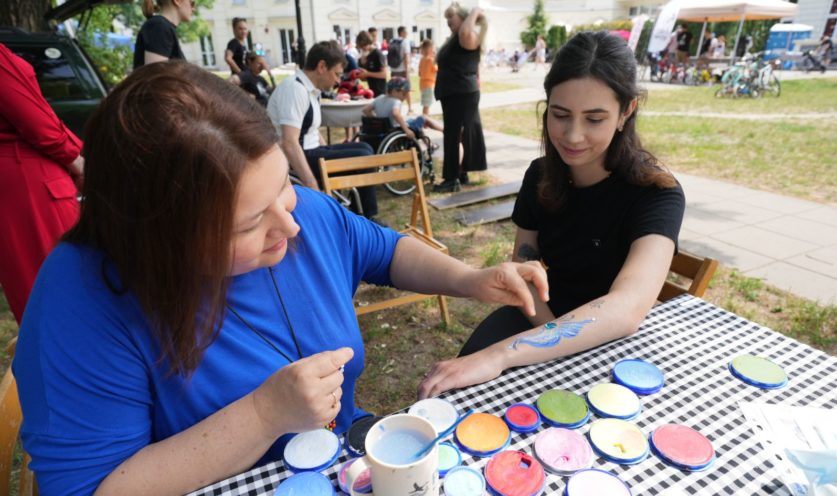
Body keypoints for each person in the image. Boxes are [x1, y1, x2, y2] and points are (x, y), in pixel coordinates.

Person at [12, 60, 547, 495]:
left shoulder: (301, 214)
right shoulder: (83, 299)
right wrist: (264, 414)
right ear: (164, 244)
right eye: (250, 223)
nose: (290, 225)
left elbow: (384, 250)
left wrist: (471, 277)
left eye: (284, 187)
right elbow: (93, 488)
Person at [418, 31, 685, 400]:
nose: (573, 136)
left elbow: (627, 307)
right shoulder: (540, 176)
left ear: (627, 112)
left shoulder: (657, 194)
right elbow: (523, 267)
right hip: (534, 318)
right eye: (560, 115)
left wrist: (504, 354)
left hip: (609, 342)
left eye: (594, 119)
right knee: (456, 398)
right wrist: (546, 336)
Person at [0, 43, 83, 325]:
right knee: (65, 293)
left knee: (35, 291)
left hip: (16, 183)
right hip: (29, 183)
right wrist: (78, 159)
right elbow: (37, 122)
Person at [266, 40, 380, 221]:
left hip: (310, 152)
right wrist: (312, 185)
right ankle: (366, 217)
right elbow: (289, 143)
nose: (337, 81)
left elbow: (311, 130)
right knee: (363, 155)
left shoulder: (309, 90)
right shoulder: (295, 90)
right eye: (336, 74)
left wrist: (330, 151)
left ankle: (361, 215)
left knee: (365, 149)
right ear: (321, 66)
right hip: (296, 159)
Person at [433, 2, 488, 192]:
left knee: (453, 135)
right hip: (457, 93)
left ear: (464, 19)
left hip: (461, 93)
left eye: (451, 17)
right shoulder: (456, 38)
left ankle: (451, 178)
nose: (448, 21)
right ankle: (461, 172)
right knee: (461, 134)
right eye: (447, 18)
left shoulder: (468, 35)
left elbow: (465, 32)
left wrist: (474, 12)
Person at [362, 77, 443, 140]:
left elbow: (365, 110)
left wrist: (377, 119)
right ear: (395, 91)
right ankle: (444, 130)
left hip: (384, 129)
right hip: (396, 129)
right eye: (404, 94)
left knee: (416, 123)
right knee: (424, 117)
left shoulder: (379, 98)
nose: (405, 97)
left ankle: (430, 146)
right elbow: (395, 113)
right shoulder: (396, 101)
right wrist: (406, 130)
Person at [133, 0, 192, 69]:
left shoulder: (161, 26)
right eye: (192, 3)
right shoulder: (159, 26)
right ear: (177, 1)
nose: (193, 8)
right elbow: (156, 75)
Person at [388, 26, 413, 113]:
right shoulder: (405, 42)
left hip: (393, 70)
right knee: (407, 89)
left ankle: (396, 108)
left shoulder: (392, 41)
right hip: (402, 70)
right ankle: (410, 108)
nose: (407, 34)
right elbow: (406, 57)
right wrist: (407, 72)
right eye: (406, 32)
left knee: (394, 90)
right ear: (402, 32)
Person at [356, 30, 388, 97]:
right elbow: (365, 78)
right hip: (372, 92)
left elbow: (384, 74)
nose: (363, 48)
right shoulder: (366, 56)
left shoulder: (378, 54)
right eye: (361, 47)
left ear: (369, 42)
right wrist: (361, 75)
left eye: (364, 45)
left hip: (381, 92)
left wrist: (368, 73)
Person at [418, 39, 438, 116]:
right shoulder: (430, 60)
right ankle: (425, 121)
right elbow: (436, 69)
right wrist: (435, 58)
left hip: (423, 84)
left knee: (425, 104)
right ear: (430, 49)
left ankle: (425, 120)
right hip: (429, 84)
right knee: (427, 105)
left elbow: (419, 73)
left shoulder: (422, 59)